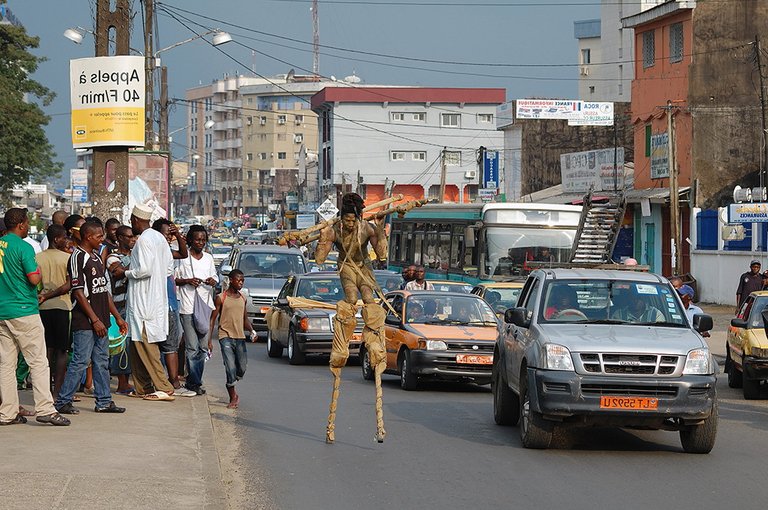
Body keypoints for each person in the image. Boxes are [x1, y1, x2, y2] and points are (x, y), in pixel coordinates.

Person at [315, 192, 389, 444]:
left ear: (356, 216)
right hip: (346, 267)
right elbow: (320, 257)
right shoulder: (334, 228)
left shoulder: (366, 227)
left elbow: (381, 255)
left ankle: (375, 343)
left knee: (369, 300)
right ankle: (342, 342)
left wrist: (380, 232)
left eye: (351, 219)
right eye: (344, 219)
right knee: (349, 298)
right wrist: (324, 240)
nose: (347, 223)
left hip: (364, 267)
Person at [0, 208, 70, 426]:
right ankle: (46, 409)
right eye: (26, 221)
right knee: (38, 361)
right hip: (24, 310)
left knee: (6, 364)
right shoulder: (24, 247)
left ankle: (8, 412)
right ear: (21, 224)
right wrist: (38, 272)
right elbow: (33, 278)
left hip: (3, 310)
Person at [55, 221, 128, 415]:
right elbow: (78, 292)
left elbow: (103, 291)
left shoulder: (96, 257)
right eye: (98, 236)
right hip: (85, 320)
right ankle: (63, 401)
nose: (102, 239)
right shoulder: (77, 258)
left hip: (102, 319)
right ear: (88, 237)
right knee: (80, 360)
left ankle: (104, 401)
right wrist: (94, 319)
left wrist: (117, 318)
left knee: (101, 361)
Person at [125, 204, 177, 401]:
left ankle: (164, 387)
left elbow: (144, 270)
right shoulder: (160, 239)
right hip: (154, 298)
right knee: (136, 343)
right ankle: (143, 387)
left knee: (147, 344)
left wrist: (127, 272)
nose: (132, 225)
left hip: (144, 300)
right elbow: (169, 269)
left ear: (137, 220)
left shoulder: (144, 240)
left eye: (132, 222)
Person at [152, 219, 194, 396]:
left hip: (171, 303)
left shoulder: (168, 252)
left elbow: (184, 254)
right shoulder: (154, 252)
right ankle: (173, 382)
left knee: (171, 344)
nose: (169, 237)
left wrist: (177, 235)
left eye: (171, 234)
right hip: (160, 304)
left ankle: (172, 380)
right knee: (167, 345)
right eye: (167, 234)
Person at [175, 225, 217, 396]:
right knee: (192, 347)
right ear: (190, 240)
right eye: (197, 239)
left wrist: (211, 281)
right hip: (187, 306)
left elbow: (215, 277)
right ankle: (194, 382)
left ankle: (195, 379)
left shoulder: (208, 258)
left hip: (204, 307)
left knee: (202, 348)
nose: (200, 243)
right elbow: (174, 279)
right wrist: (187, 281)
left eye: (203, 240)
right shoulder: (182, 258)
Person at [209, 269, 255, 409]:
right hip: (225, 336)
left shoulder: (243, 298)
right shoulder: (221, 297)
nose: (241, 283)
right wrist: (209, 340)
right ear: (230, 280)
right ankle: (233, 396)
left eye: (242, 281)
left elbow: (244, 319)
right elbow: (213, 319)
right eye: (238, 280)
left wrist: (252, 331)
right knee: (230, 367)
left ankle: (233, 378)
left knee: (241, 367)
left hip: (240, 337)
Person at [36, 224, 73, 396]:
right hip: (62, 307)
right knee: (62, 350)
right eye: (64, 237)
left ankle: (45, 390)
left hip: (42, 307)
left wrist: (44, 295)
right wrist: (51, 295)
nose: (67, 240)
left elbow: (35, 284)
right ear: (56, 239)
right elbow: (68, 285)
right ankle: (57, 391)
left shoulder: (38, 257)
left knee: (47, 350)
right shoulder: (67, 258)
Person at [106, 225, 135, 394]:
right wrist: (138, 268)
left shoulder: (135, 255)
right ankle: (122, 383)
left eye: (133, 236)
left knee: (130, 345)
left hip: (132, 306)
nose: (132, 239)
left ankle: (128, 380)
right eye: (129, 236)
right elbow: (117, 271)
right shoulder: (112, 257)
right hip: (119, 306)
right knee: (120, 346)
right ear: (120, 238)